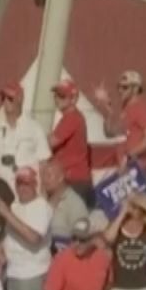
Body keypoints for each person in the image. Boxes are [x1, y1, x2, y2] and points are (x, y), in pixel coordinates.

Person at [0, 166, 54, 290]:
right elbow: (8, 234)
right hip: (12, 273)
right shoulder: (14, 206)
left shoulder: (42, 207)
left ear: (35, 184)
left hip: (32, 274)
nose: (22, 187)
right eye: (19, 183)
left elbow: (34, 238)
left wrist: (7, 214)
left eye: (27, 183)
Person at [0, 84, 50, 186]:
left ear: (20, 99)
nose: (6, 102)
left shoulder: (35, 128)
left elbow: (43, 163)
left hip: (26, 189)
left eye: (10, 98)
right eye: (3, 98)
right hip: (1, 189)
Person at [47, 79, 94, 207]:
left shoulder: (72, 118)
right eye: (56, 95)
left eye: (62, 96)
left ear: (73, 99)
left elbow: (50, 143)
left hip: (74, 181)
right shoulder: (68, 118)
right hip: (70, 180)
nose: (57, 99)